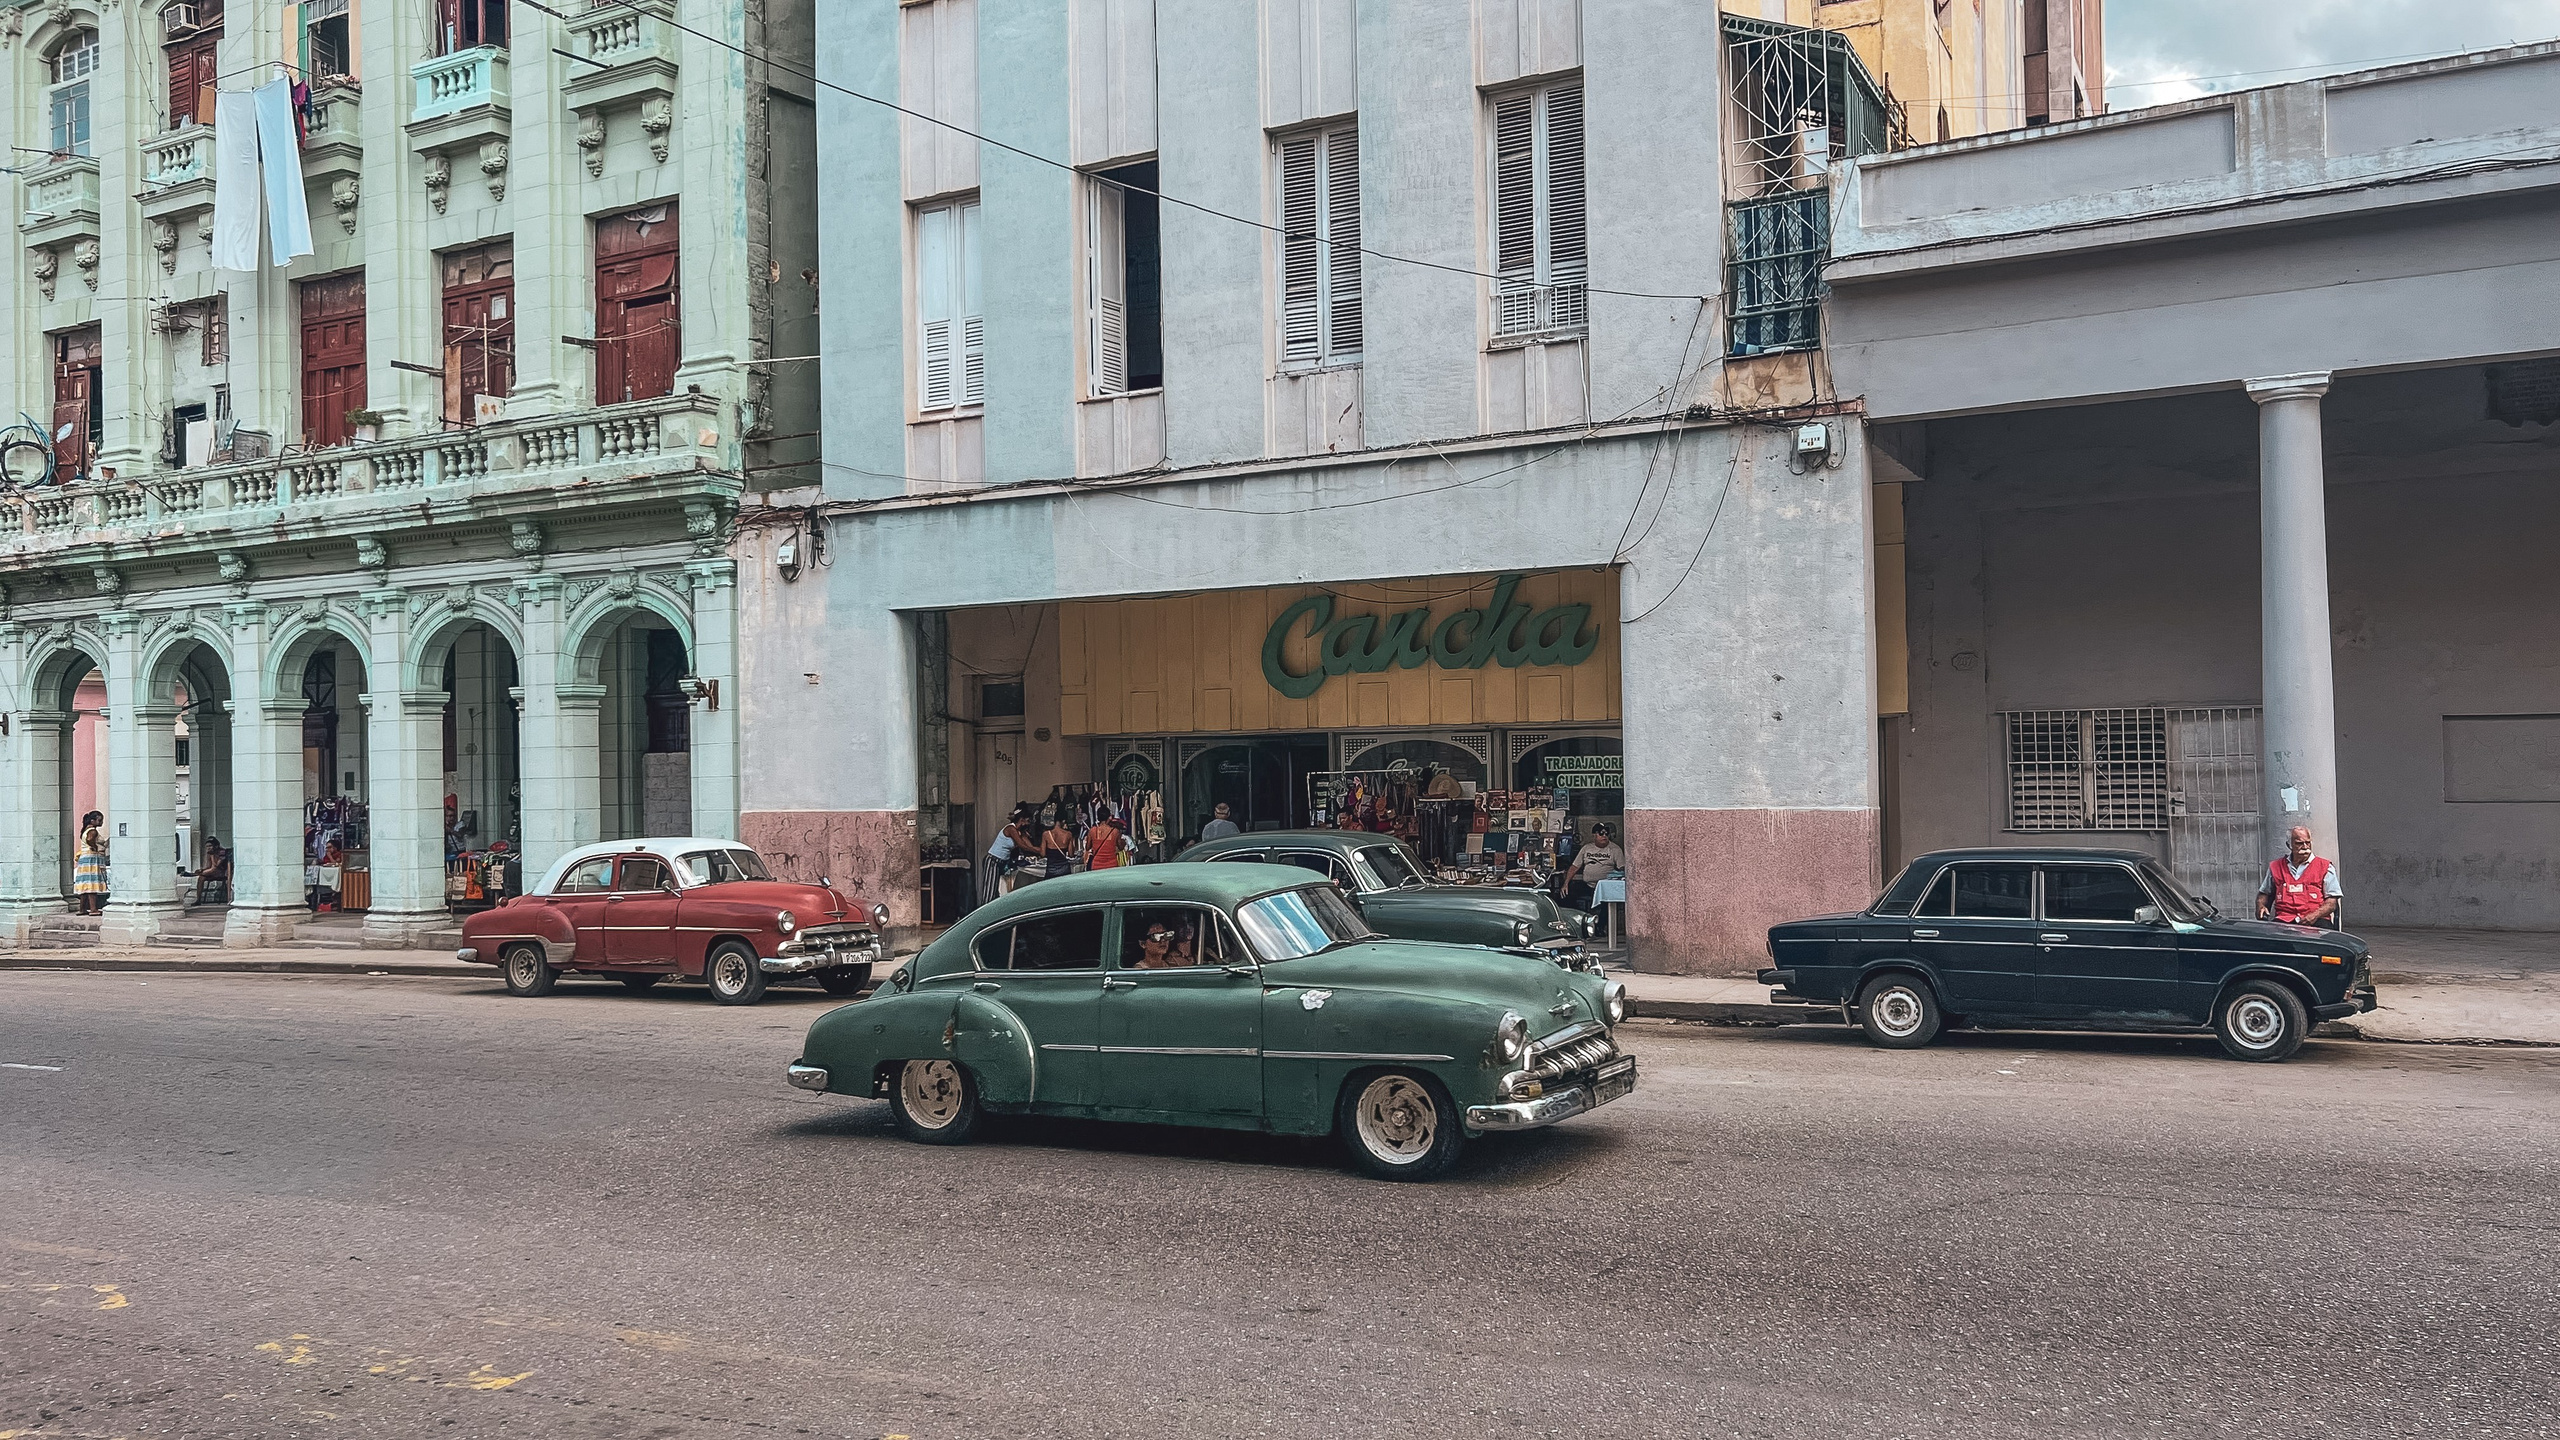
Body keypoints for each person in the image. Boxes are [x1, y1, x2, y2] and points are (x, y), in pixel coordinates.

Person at [2257, 825, 2342, 927]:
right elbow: (2264, 893)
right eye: (2299, 843)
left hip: (2316, 920)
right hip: (2284, 920)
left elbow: (2332, 903)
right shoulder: (2275, 867)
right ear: (2289, 845)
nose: (2305, 847)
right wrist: (2261, 906)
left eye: (2308, 843)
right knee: (2274, 939)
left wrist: (2314, 915)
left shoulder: (2325, 867)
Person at [1562, 822, 1625, 912]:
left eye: (1606, 834)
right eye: (1601, 833)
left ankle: (1601, 925)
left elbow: (1622, 868)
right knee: (1566, 894)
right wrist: (1566, 884)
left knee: (1607, 906)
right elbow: (1574, 866)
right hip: (1587, 885)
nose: (1604, 836)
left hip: (1605, 887)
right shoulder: (1586, 848)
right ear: (1594, 835)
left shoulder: (1615, 849)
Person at [74, 812, 109, 915]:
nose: (101, 822)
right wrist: (95, 847)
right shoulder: (92, 831)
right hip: (92, 858)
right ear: (92, 821)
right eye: (99, 820)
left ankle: (82, 908)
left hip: (85, 859)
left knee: (85, 884)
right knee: (92, 883)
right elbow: (90, 839)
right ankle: (93, 909)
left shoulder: (85, 830)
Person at [1039, 813, 1078, 880]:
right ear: (1063, 821)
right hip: (1064, 869)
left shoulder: (1046, 834)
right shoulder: (1068, 834)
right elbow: (1071, 854)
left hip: (1051, 869)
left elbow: (1042, 853)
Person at [195, 834, 232, 904]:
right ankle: (198, 900)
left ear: (216, 846)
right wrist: (202, 870)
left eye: (210, 846)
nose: (208, 848)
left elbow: (217, 866)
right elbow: (208, 866)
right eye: (207, 847)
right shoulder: (209, 853)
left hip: (222, 872)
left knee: (204, 873)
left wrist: (212, 855)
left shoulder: (222, 852)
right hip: (212, 872)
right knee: (201, 878)